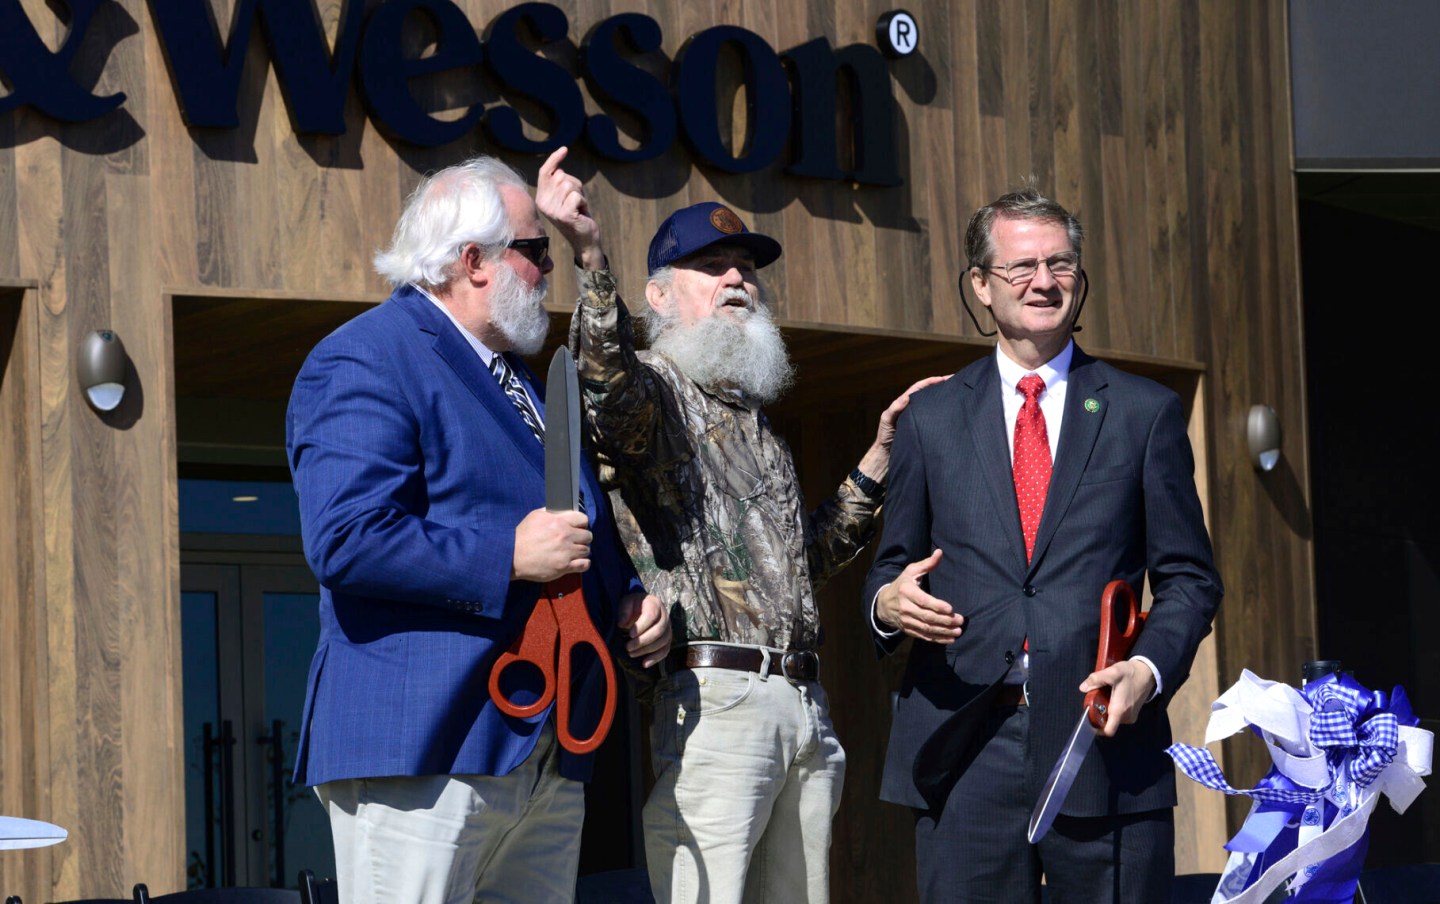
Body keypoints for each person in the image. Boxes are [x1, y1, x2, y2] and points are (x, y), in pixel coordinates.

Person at [535, 146, 940, 903]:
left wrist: (878, 458)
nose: (736, 279)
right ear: (658, 295)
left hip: (802, 705)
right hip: (713, 703)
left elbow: (801, 566)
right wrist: (589, 255)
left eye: (746, 268)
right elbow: (604, 385)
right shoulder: (653, 395)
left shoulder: (756, 424)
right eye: (711, 265)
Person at [285, 155, 670, 904]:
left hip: (543, 750)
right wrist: (507, 555)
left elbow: (572, 530)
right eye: (536, 250)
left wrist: (626, 597)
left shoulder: (523, 383)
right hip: (424, 743)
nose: (548, 269)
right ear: (473, 261)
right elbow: (347, 537)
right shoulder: (366, 355)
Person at [863, 187, 1223, 903]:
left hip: (1103, 742)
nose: (1044, 281)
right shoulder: (930, 418)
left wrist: (1147, 669)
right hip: (962, 748)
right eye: (1021, 266)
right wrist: (888, 604)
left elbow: (1190, 578)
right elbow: (890, 567)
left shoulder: (1144, 413)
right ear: (980, 284)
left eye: (1060, 263)